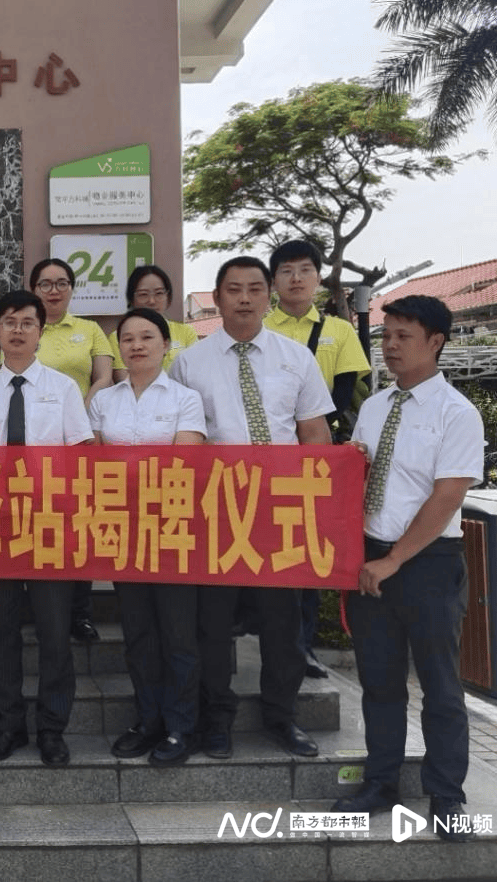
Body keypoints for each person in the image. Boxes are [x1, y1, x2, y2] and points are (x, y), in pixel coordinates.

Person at [332, 295, 483, 843]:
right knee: (379, 680)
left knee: (440, 685)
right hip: (371, 558)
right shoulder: (375, 406)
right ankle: (381, 783)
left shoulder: (456, 413)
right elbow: (357, 477)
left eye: (403, 337)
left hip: (425, 562)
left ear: (436, 342)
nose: (390, 347)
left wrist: (395, 559)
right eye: (386, 336)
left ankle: (447, 795)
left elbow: (447, 497)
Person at [169, 256, 333, 760]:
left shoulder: (296, 358)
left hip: (281, 508)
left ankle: (281, 716)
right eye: (233, 289)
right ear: (215, 299)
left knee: (282, 622)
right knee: (214, 625)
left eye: (254, 289)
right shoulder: (189, 363)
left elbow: (314, 436)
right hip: (216, 509)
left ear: (269, 297)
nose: (244, 298)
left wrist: (326, 505)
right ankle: (217, 719)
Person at [0, 289, 93, 766]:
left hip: (51, 524)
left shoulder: (64, 389)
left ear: (40, 332)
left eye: (27, 322)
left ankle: (52, 728)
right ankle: (9, 723)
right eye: (9, 321)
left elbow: (80, 457)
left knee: (55, 631)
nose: (17, 330)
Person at [92, 308, 206, 766]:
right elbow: (95, 466)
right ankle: (148, 720)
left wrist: (127, 467)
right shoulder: (103, 401)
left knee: (178, 633)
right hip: (123, 529)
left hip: (172, 527)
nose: (136, 346)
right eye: (128, 339)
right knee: (138, 632)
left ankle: (181, 726)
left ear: (165, 344)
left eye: (147, 337)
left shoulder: (186, 399)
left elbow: (184, 462)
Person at [264, 240, 372, 680]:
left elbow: (345, 392)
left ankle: (303, 647)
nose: (295, 279)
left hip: (311, 457)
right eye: (286, 271)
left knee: (302, 552)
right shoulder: (257, 328)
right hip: (262, 460)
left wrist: (308, 426)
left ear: (318, 276)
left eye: (304, 270)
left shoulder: (340, 330)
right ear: (273, 281)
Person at [25, 257, 114, 643]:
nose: (54, 290)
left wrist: (75, 411)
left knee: (76, 529)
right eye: (45, 284)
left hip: (78, 441)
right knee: (32, 526)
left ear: (73, 289)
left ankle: (80, 613)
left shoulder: (90, 329)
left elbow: (106, 376)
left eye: (62, 283)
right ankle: (36, 607)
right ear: (34, 290)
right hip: (33, 444)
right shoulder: (26, 329)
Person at [111, 265, 197, 383]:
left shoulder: (186, 332)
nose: (151, 301)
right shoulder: (119, 336)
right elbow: (125, 380)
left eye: (159, 293)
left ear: (168, 296)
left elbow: (194, 375)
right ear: (132, 299)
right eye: (143, 294)